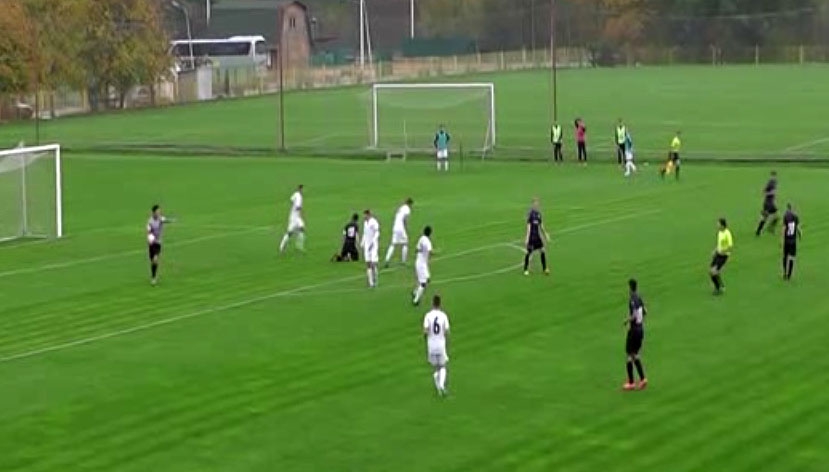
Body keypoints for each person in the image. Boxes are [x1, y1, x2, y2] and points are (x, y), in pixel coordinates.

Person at [623, 278, 648, 391]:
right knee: (635, 354)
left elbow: (633, 315)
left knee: (629, 354)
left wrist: (627, 321)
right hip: (640, 329)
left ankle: (631, 383)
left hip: (634, 330)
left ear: (630, 288)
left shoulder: (632, 300)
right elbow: (645, 311)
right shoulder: (639, 297)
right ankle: (643, 379)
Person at [422, 295, 450, 396]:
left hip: (431, 345)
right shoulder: (443, 315)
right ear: (440, 303)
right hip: (441, 344)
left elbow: (425, 331)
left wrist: (426, 339)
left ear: (432, 303)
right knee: (443, 366)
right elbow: (447, 331)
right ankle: (441, 385)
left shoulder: (428, 315)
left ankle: (439, 390)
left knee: (436, 368)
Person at [523, 198, 551, 275]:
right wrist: (527, 238)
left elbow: (541, 226)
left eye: (537, 204)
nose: (536, 205)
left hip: (537, 236)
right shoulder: (530, 214)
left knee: (542, 250)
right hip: (532, 237)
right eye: (535, 203)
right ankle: (525, 269)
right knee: (529, 252)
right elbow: (528, 227)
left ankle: (545, 269)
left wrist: (546, 234)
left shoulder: (539, 214)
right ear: (532, 204)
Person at [146, 204, 173, 286]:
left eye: (159, 211)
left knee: (155, 259)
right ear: (153, 212)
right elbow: (148, 231)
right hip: (151, 244)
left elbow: (165, 220)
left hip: (157, 243)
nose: (159, 212)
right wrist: (150, 238)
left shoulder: (160, 219)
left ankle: (153, 278)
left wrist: (172, 220)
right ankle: (153, 275)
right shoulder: (150, 222)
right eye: (157, 211)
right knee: (153, 261)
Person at [385, 198, 413, 267]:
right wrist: (406, 228)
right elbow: (405, 220)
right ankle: (403, 261)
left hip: (395, 227)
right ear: (410, 204)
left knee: (393, 244)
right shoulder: (407, 209)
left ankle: (387, 260)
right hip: (400, 227)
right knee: (405, 243)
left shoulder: (401, 207)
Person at [710, 217, 734, 295]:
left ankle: (718, 288)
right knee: (711, 272)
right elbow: (719, 244)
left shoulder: (727, 233)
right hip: (718, 254)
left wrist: (723, 251)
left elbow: (730, 247)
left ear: (722, 225)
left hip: (723, 256)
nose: (717, 225)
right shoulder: (720, 232)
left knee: (714, 272)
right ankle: (721, 286)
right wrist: (715, 250)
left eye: (718, 224)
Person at [279, 184, 305, 253]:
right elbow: (298, 207)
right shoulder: (299, 197)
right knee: (290, 233)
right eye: (302, 189)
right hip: (294, 218)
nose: (302, 190)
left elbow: (291, 200)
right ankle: (282, 247)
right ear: (300, 189)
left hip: (296, 216)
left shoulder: (295, 194)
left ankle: (299, 247)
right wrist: (301, 211)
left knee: (302, 228)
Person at [412, 226, 433, 306]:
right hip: (422, 264)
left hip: (419, 262)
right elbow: (430, 251)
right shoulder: (427, 242)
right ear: (430, 233)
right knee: (423, 283)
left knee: (427, 279)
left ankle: (415, 292)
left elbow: (416, 249)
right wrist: (436, 252)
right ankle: (416, 300)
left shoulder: (421, 238)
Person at [782, 203, 802, 281]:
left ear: (787, 209)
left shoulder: (785, 216)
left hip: (786, 240)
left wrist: (782, 240)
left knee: (785, 256)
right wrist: (800, 235)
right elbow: (798, 228)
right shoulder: (796, 216)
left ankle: (784, 273)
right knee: (791, 257)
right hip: (793, 241)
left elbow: (784, 229)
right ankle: (789, 275)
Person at [755, 171, 779, 236]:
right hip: (768, 203)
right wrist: (771, 193)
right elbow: (764, 191)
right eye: (773, 176)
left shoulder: (772, 182)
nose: (774, 177)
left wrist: (769, 193)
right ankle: (759, 231)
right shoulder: (771, 183)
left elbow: (764, 190)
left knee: (776, 216)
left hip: (770, 202)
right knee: (765, 217)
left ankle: (770, 229)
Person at [361, 209, 380, 288]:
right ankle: (370, 282)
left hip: (373, 245)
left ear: (368, 215)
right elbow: (365, 233)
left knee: (373, 264)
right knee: (368, 263)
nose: (364, 217)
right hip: (367, 245)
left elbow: (377, 232)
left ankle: (375, 279)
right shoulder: (365, 223)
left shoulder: (374, 222)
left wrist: (373, 242)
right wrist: (362, 242)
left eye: (365, 215)